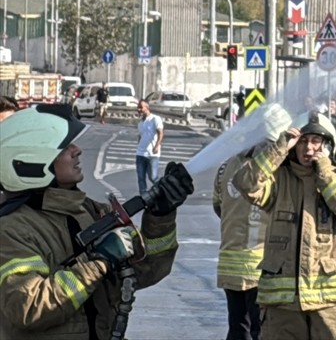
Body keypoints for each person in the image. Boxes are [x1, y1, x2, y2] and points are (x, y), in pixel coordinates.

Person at [0, 104, 194, 339]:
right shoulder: (12, 230)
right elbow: (28, 307)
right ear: (32, 161)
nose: (77, 150)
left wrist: (160, 217)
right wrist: (99, 261)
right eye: (65, 146)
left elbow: (145, 272)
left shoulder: (92, 212)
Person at [233, 110, 336, 339]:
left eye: (316, 141)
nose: (308, 148)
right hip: (283, 308)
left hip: (331, 305)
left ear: (327, 146)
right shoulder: (278, 180)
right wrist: (279, 148)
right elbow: (245, 183)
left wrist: (326, 175)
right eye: (302, 141)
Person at [213, 104, 292, 340]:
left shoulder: (226, 166)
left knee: (238, 329)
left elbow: (218, 207)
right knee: (262, 331)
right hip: (263, 265)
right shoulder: (277, 171)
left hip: (230, 264)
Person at [135, 99, 164, 197]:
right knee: (141, 177)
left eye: (141, 107)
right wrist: (139, 146)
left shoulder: (155, 119)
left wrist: (157, 146)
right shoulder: (140, 123)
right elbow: (141, 136)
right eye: (138, 107)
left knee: (153, 177)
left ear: (147, 108)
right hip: (140, 154)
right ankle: (144, 197)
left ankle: (163, 192)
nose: (139, 109)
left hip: (152, 154)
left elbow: (161, 133)